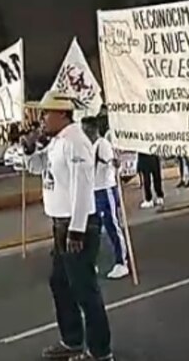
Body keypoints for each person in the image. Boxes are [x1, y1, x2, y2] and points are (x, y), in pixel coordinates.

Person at [22, 93, 114, 361]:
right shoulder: (57, 142)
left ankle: (100, 351)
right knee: (60, 283)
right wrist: (29, 149)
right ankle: (72, 340)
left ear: (62, 114)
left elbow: (83, 186)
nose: (41, 119)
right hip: (60, 224)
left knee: (84, 290)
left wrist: (77, 229)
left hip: (76, 226)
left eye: (45, 113)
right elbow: (39, 168)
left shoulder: (75, 142)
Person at [87, 118, 129, 280]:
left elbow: (110, 161)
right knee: (93, 228)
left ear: (93, 129)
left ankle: (121, 262)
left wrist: (114, 163)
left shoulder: (102, 144)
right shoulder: (89, 146)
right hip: (93, 190)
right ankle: (91, 262)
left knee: (112, 225)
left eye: (86, 129)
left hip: (105, 189)